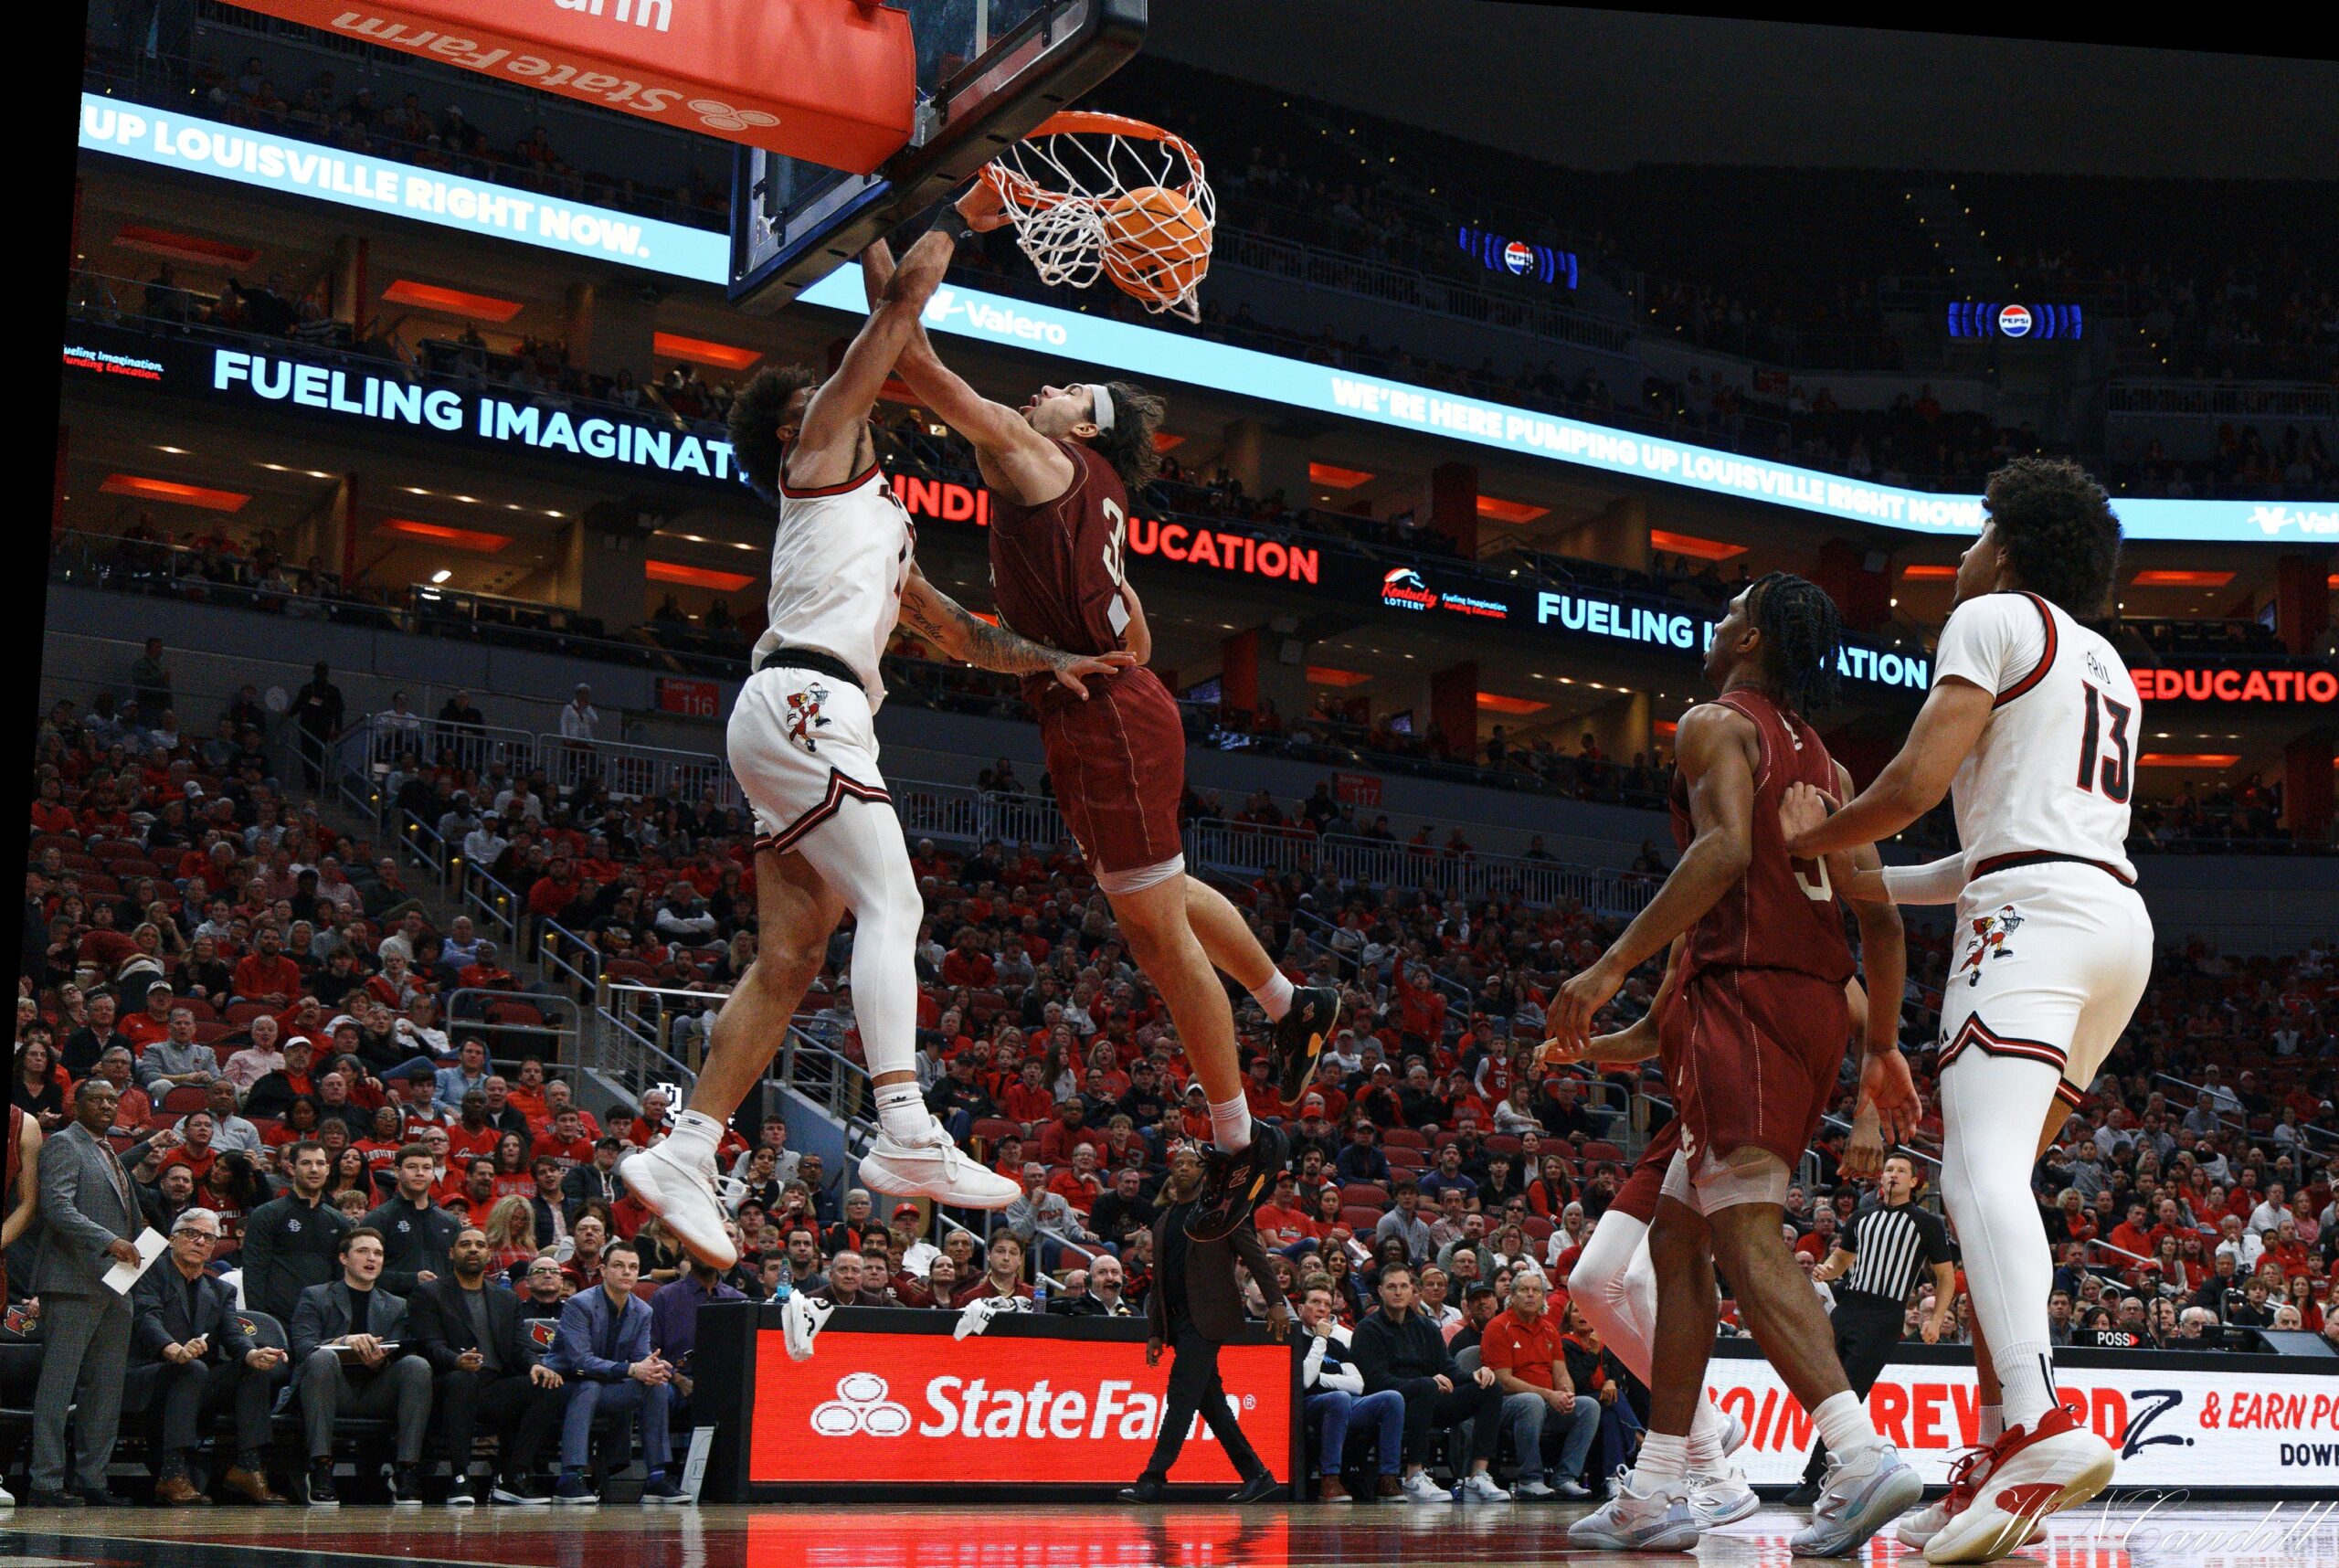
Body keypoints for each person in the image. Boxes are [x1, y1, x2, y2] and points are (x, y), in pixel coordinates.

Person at [621, 232, 1127, 1263]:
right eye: (825, 393)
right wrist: (925, 226)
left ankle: (686, 1150)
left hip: (793, 712)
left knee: (790, 958)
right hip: (810, 701)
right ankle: (902, 1124)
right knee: (896, 904)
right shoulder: (815, 452)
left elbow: (953, 630)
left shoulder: (876, 518)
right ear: (794, 423)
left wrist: (1051, 661)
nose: (846, 396)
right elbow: (892, 328)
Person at [876, 230, 1340, 1240]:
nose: (1048, 388)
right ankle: (1287, 1002)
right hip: (1114, 706)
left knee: (1159, 943)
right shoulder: (1101, 490)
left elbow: (913, 362)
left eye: (1070, 390)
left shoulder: (1043, 459)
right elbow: (1140, 633)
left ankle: (1239, 1140)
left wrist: (892, 230)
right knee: (1162, 898)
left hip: (1105, 722)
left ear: (1086, 425)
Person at [1783, 459, 2152, 1563]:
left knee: (1972, 1180)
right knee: (2001, 1191)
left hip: (2029, 924)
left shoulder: (1991, 618)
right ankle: (1997, 1451)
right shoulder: (2106, 663)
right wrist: (1854, 881)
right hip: (2111, 924)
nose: (1963, 552)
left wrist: (1804, 839)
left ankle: (2037, 1425)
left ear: (2011, 546)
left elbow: (1911, 784)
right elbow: (1983, 849)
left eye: (1977, 531)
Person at [1551, 572, 1917, 1556]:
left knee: (1746, 1233)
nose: (1713, 626)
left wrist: (1605, 967)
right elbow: (1882, 922)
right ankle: (1658, 1489)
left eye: (1726, 614)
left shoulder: (1716, 723)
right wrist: (1881, 1046)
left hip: (1744, 999)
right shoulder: (1831, 767)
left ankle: (1857, 1455)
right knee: (1677, 1243)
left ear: (1750, 639)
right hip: (1809, 1010)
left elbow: (1719, 851)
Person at [1119, 1147, 1286, 1503]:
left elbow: (1254, 1255)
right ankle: (1257, 1475)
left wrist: (1276, 1302)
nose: (1182, 1168)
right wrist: (1155, 1331)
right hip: (1177, 1321)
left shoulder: (1221, 1212)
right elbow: (1160, 1281)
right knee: (1211, 1403)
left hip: (1207, 1318)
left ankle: (1152, 1479)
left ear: (1204, 1172)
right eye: (1177, 1163)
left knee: (1181, 1394)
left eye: (1191, 1163)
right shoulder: (1163, 1221)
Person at [1793, 1154, 1958, 1500]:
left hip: (1884, 1315)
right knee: (1824, 1390)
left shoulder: (1926, 1223)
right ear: (1881, 1179)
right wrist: (1826, 1269)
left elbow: (1945, 1276)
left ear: (1914, 1182)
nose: (1893, 1175)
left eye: (1901, 1171)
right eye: (1889, 1170)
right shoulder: (1861, 1217)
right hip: (1847, 1308)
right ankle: (1831, 1470)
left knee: (1849, 1395)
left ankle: (1815, 1478)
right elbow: (1842, 1260)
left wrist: (1935, 1317)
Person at [27, 1077, 143, 1507]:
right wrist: (110, 1241)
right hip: (72, 1282)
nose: (107, 1105)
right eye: (97, 1099)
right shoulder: (64, 1144)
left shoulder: (109, 1150)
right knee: (58, 1388)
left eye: (113, 1099)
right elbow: (56, 1207)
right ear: (75, 1105)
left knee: (106, 1389)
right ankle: (45, 1482)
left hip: (117, 1284)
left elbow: (127, 1214)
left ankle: (93, 1479)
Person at [129, 1206, 291, 1505]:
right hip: (150, 1375)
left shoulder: (221, 1290)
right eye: (191, 1233)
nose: (200, 1241)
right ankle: (172, 1474)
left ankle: (248, 1468)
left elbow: (233, 1333)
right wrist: (172, 1349)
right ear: (172, 1239)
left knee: (254, 1369)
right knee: (194, 1368)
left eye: (208, 1237)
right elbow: (146, 1318)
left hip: (196, 1380)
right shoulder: (150, 1272)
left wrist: (252, 1353)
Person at [409, 1226, 565, 1505]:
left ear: (488, 1254)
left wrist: (535, 1365)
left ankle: (512, 1476)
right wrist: (456, 1360)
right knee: (462, 1380)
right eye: (465, 1244)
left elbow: (519, 1348)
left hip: (493, 1385)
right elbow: (428, 1344)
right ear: (451, 1253)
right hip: (446, 1384)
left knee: (547, 1386)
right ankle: (460, 1477)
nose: (473, 1249)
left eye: (480, 1245)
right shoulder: (430, 1293)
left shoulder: (506, 1298)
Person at [289, 1226, 432, 1506]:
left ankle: (406, 1470)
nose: (372, 1258)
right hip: (328, 1390)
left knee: (417, 1365)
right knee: (321, 1357)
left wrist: (382, 1360)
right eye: (363, 1251)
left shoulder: (397, 1305)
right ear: (344, 1258)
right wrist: (342, 1341)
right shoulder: (315, 1295)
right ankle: (320, 1467)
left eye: (378, 1253)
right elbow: (304, 1348)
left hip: (376, 1392)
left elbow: (400, 1350)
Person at [1349, 1260, 1508, 1502]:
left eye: (1404, 1286)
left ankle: (1478, 1476)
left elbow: (1447, 1368)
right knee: (1426, 1387)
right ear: (1380, 1291)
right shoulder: (1367, 1329)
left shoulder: (1426, 1327)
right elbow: (1375, 1379)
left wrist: (1473, 1375)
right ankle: (1414, 1476)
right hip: (1389, 1403)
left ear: (1412, 1290)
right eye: (1392, 1287)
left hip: (1430, 1399)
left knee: (1489, 1387)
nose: (1398, 1292)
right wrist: (1424, 1383)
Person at [545, 1238, 685, 1504]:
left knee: (656, 1384)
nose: (626, 1272)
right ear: (603, 1270)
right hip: (563, 1385)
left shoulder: (643, 1310)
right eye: (619, 1266)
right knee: (589, 1386)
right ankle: (570, 1479)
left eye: (633, 1267)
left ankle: (656, 1477)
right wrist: (632, 1369)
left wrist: (653, 1366)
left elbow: (640, 1357)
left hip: (606, 1386)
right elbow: (580, 1361)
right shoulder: (579, 1304)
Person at [1479, 1269, 1600, 1499]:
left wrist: (1566, 1393)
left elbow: (1561, 1373)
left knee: (1588, 1406)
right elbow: (1503, 1381)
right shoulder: (1499, 1327)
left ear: (1544, 1297)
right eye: (1524, 1290)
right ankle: (1530, 1479)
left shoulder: (1549, 1329)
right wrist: (1548, 1395)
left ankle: (1565, 1478)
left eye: (1536, 1290)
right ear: (1512, 1296)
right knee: (1531, 1402)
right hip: (1505, 1404)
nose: (1530, 1295)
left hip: (1544, 1402)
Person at [1298, 1281, 1404, 1502]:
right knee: (1340, 1397)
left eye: (1326, 1304)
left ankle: (1387, 1478)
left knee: (1392, 1399)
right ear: (1300, 1309)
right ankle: (1330, 1479)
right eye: (1315, 1302)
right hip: (1308, 1404)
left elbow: (1358, 1385)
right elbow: (1306, 1381)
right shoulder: (1295, 1339)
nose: (1321, 1308)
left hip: (1344, 1402)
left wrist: (1322, 1378)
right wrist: (1320, 1338)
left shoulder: (1336, 1345)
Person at [241, 1140, 352, 1322]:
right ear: (292, 1169)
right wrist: (262, 1322)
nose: (314, 1169)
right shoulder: (266, 1215)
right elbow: (254, 1273)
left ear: (328, 1169)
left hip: (324, 1321)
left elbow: (342, 1277)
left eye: (320, 1163)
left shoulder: (339, 1222)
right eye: (306, 1163)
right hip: (278, 1320)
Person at [364, 1143, 464, 1292]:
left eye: (426, 1168)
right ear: (397, 1172)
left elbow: (459, 1271)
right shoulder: (379, 1218)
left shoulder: (450, 1222)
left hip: (441, 1303)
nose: (420, 1173)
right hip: (395, 1303)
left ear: (433, 1174)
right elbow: (361, 1271)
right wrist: (411, 1280)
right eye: (412, 1167)